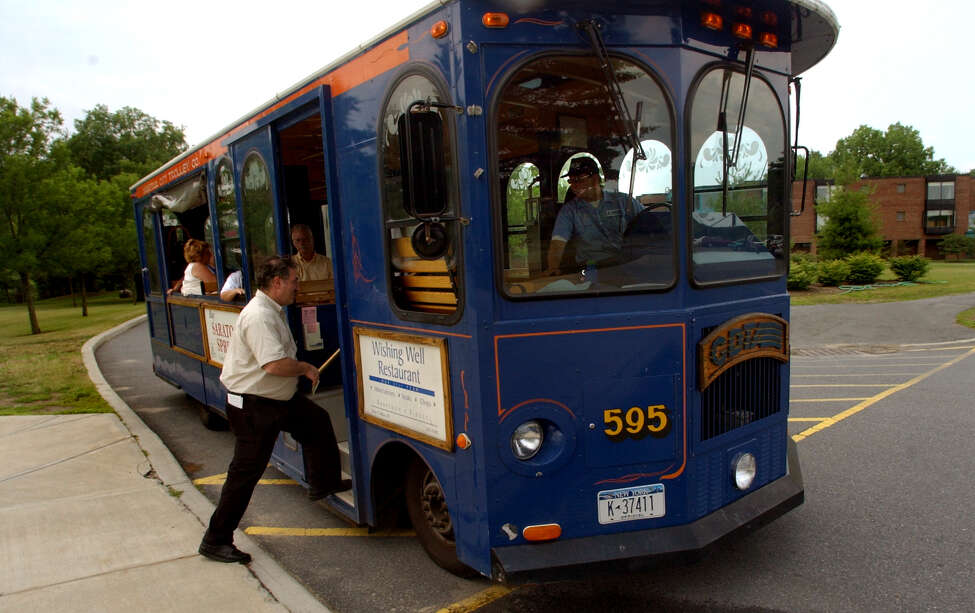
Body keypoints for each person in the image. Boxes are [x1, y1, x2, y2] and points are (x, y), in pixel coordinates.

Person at [198, 256, 349, 564]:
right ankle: (215, 539)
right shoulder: (259, 316)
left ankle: (324, 482)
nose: (298, 286)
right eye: (294, 281)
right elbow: (274, 364)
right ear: (277, 282)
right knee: (245, 473)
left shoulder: (271, 310)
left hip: (275, 400)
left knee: (317, 422)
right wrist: (305, 367)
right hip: (254, 406)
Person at [545, 157, 644, 275]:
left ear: (595, 179)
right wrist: (553, 268)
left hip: (628, 266)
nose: (574, 186)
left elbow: (651, 225)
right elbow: (558, 242)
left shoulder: (624, 202)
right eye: (571, 181)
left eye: (579, 180)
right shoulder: (569, 211)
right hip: (592, 271)